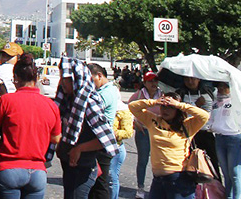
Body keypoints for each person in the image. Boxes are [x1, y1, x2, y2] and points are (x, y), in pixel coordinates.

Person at [0, 52, 62, 199]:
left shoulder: (7, 101)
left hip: (8, 169)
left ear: (15, 78)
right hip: (38, 171)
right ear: (37, 78)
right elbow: (56, 138)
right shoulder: (50, 105)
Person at [54, 58, 119, 199]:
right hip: (70, 166)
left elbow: (106, 139)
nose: (62, 83)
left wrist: (79, 148)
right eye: (61, 78)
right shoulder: (68, 101)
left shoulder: (88, 102)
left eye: (66, 79)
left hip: (84, 168)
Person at [129, 91, 210, 199]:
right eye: (163, 106)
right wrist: (154, 102)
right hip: (158, 180)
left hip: (179, 179)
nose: (165, 110)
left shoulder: (187, 125)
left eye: (170, 107)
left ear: (177, 109)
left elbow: (204, 116)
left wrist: (179, 104)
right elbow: (133, 106)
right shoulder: (153, 120)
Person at [89, 63, 129, 199]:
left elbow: (92, 108)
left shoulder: (108, 91)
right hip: (98, 141)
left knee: (101, 183)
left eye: (91, 79)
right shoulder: (101, 90)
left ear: (99, 76)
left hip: (103, 142)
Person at [207, 82, 241, 199]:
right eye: (219, 86)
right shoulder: (216, 102)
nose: (221, 89)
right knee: (226, 174)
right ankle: (228, 196)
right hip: (219, 138)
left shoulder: (238, 101)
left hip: (235, 138)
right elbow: (212, 119)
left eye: (225, 86)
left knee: (234, 174)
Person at [128, 71, 162, 198]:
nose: (153, 83)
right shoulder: (139, 95)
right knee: (142, 160)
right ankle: (140, 187)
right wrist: (134, 122)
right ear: (145, 83)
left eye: (155, 80)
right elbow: (127, 109)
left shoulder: (162, 94)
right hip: (143, 132)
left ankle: (157, 187)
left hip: (158, 132)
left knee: (158, 161)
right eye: (150, 81)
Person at [176, 75, 218, 173]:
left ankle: (215, 187)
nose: (190, 82)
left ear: (199, 79)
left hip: (207, 132)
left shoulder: (210, 91)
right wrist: (196, 106)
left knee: (212, 164)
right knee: (191, 165)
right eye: (186, 79)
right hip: (189, 134)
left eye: (192, 78)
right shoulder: (180, 93)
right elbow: (179, 115)